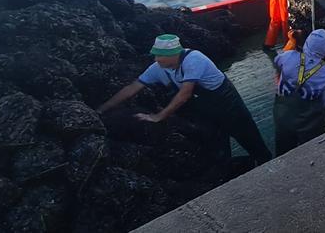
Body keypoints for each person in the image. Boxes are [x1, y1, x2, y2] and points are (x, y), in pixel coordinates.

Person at [98, 34, 273, 163]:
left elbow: (185, 94)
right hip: (205, 109)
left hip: (227, 104)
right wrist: (102, 109)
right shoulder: (158, 67)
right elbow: (132, 88)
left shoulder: (194, 59)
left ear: (174, 54)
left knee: (250, 139)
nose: (156, 59)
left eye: (161, 55)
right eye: (155, 55)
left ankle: (266, 163)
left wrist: (159, 117)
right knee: (217, 145)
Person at [271, 28, 325, 156]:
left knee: (283, 152)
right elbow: (323, 102)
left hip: (283, 117)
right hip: (309, 123)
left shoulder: (287, 56)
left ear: (306, 43)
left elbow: (277, 63)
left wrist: (292, 42)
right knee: (313, 153)